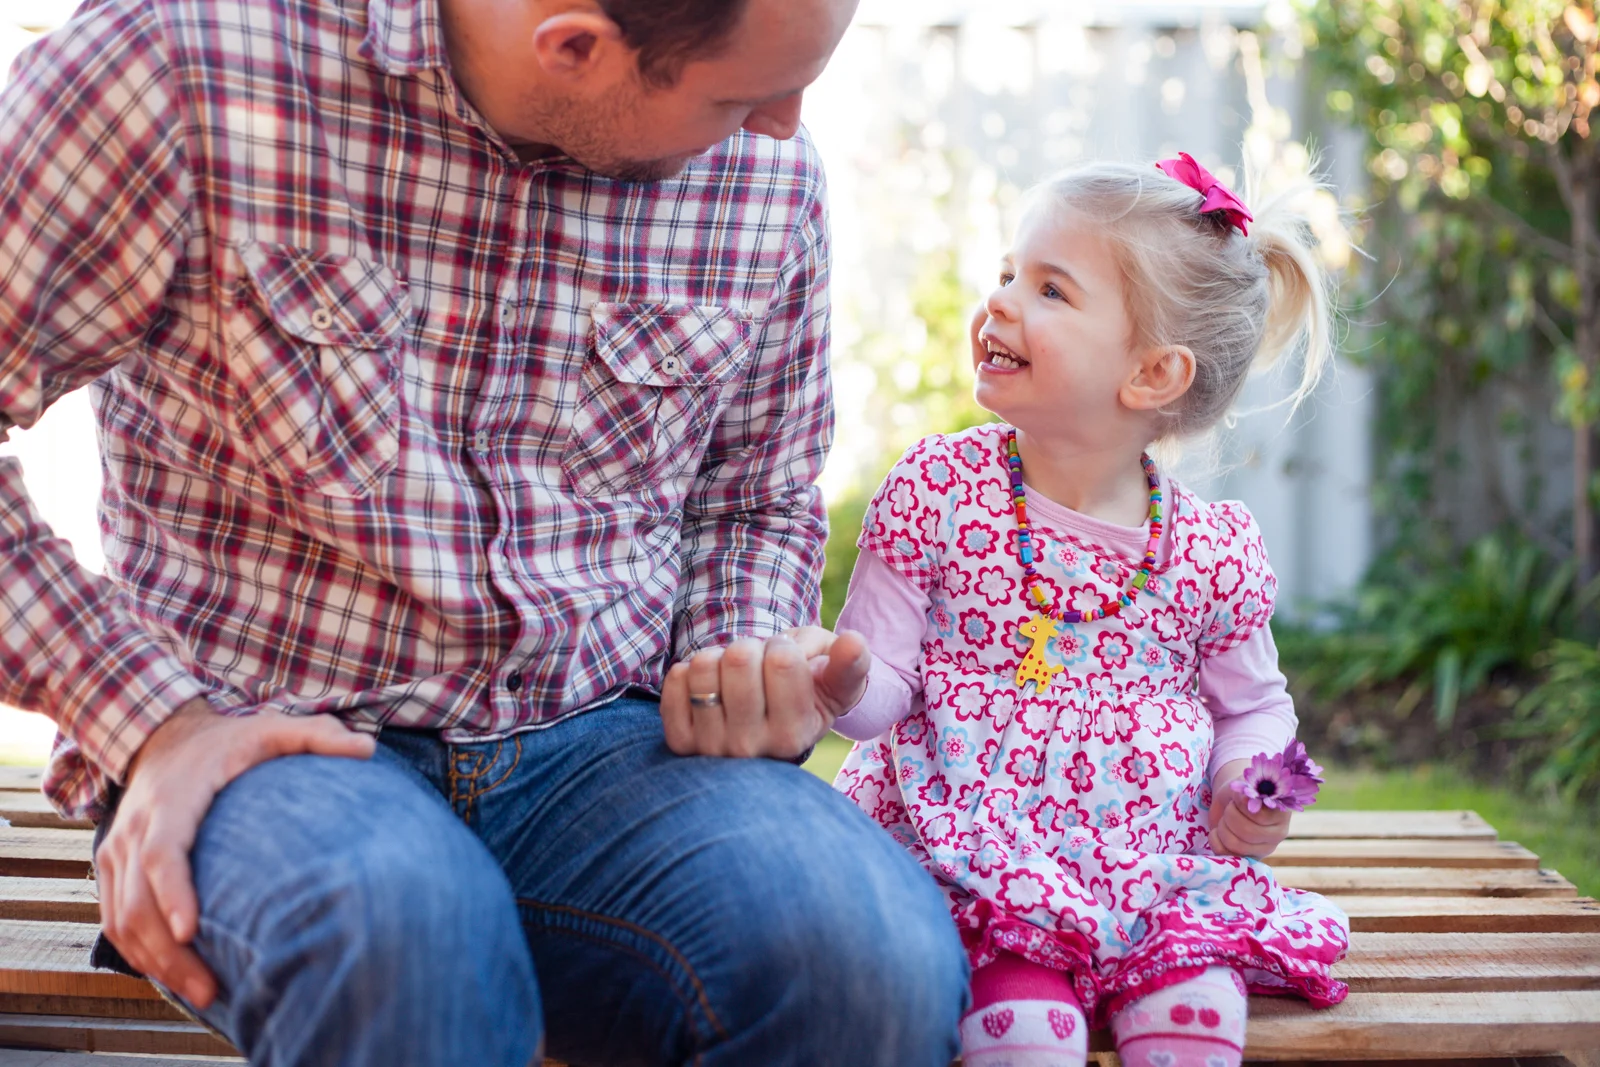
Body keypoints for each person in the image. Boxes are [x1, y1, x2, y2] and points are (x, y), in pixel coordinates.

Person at [0, 0, 968, 1062]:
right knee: (403, 935)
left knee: (867, 962)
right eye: (740, 95)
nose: (785, 127)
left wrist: (737, 657)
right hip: (263, 736)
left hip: (608, 742)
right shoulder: (179, 61)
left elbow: (752, 492)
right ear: (574, 48)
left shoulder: (766, 176)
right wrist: (153, 723)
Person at [827, 153, 1351, 1067]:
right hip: (971, 848)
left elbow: (1253, 707)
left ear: (1152, 373)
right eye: (1006, 275)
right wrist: (842, 674)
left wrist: (1249, 783)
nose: (1000, 302)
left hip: (1149, 864)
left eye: (1050, 290)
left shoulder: (1206, 550)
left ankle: (1165, 994)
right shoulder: (940, 493)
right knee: (1026, 1028)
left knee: (1192, 1013)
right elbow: (881, 698)